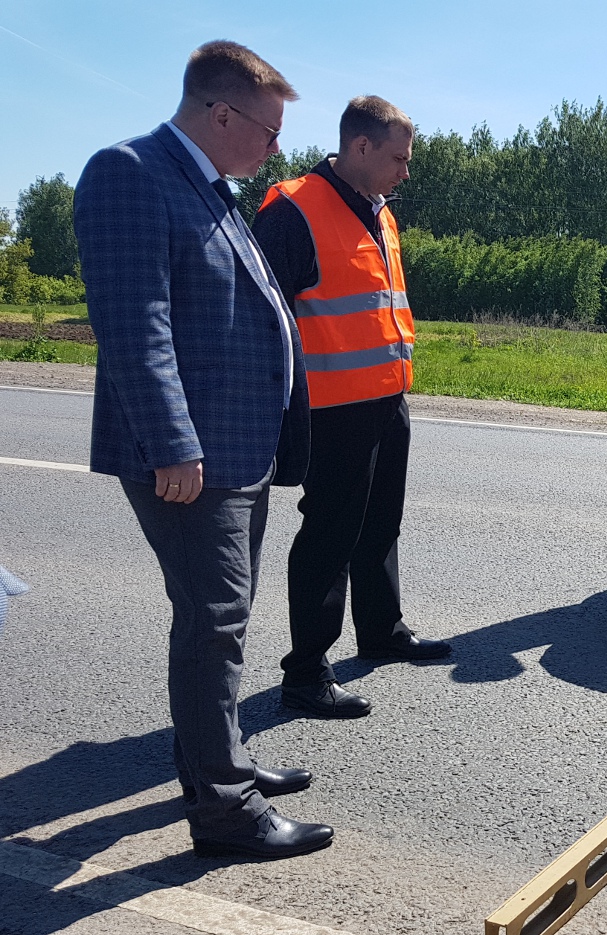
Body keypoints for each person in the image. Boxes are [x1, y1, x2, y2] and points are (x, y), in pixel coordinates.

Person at [74, 41, 332, 859]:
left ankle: (219, 761)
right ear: (221, 113)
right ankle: (226, 811)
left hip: (238, 448)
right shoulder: (129, 173)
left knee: (220, 618)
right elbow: (135, 324)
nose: (277, 148)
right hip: (190, 457)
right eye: (268, 128)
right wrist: (173, 443)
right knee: (214, 623)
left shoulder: (212, 188)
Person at [253, 96, 451, 720]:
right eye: (398, 158)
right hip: (331, 407)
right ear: (359, 147)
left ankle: (381, 629)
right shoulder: (292, 209)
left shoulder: (380, 212)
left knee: (381, 520)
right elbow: (261, 322)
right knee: (330, 532)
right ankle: (307, 671)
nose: (406, 172)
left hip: (386, 397)